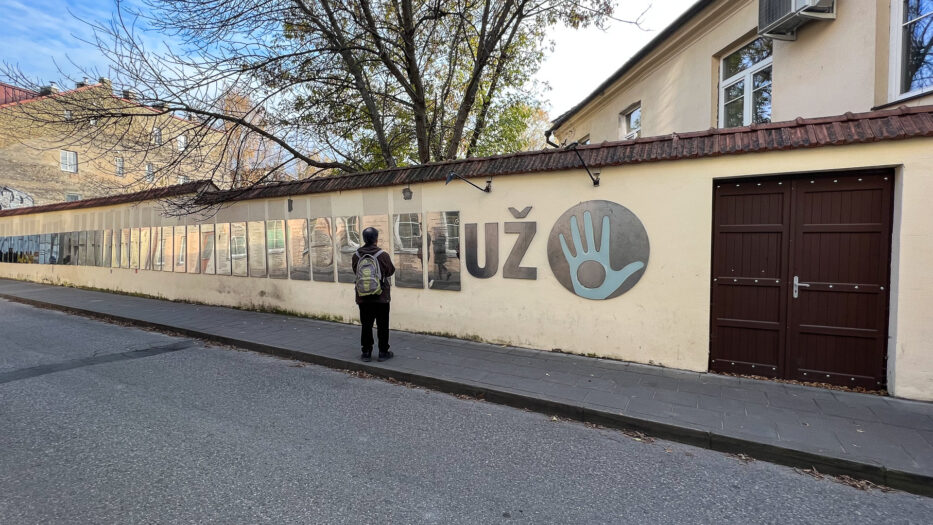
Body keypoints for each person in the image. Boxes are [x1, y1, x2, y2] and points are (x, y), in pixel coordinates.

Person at [352, 227, 396, 362]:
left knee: (366, 325)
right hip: (381, 297)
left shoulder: (357, 255)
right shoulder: (383, 255)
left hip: (363, 297)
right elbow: (390, 271)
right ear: (376, 239)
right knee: (382, 324)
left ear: (364, 239)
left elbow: (355, 271)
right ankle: (383, 352)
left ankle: (366, 352)